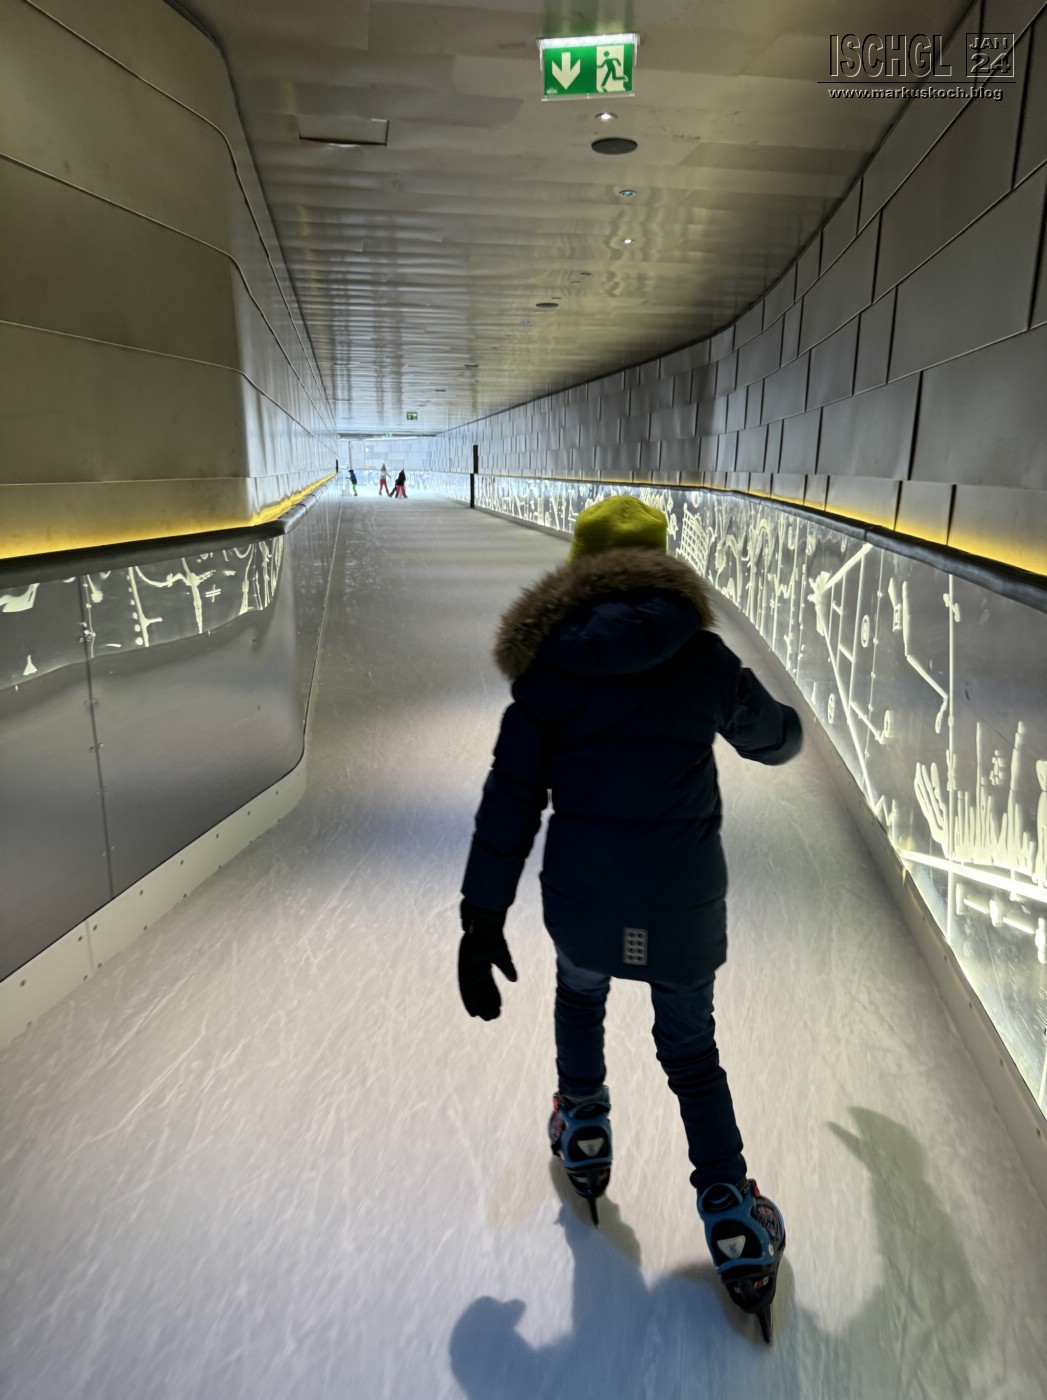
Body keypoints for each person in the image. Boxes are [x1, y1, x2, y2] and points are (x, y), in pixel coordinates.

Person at [458, 495, 802, 1339]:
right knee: (690, 1052)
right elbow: (775, 741)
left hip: (583, 903)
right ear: (661, 566)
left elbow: (510, 797)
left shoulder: (549, 669)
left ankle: (582, 1128)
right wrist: (780, 721)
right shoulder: (702, 658)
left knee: (579, 1001)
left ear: (578, 570)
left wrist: (480, 915)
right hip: (680, 909)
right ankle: (730, 1211)